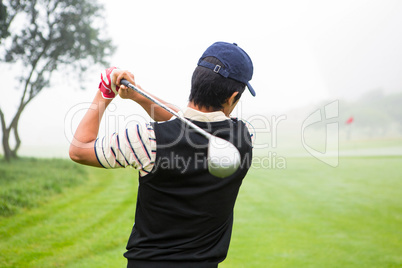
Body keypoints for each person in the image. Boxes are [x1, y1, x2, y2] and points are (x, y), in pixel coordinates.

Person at [69, 41, 255, 268]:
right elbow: (184, 119)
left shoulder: (145, 139)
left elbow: (79, 150)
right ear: (232, 96)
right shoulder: (245, 139)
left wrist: (105, 92)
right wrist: (137, 95)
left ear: (195, 80)